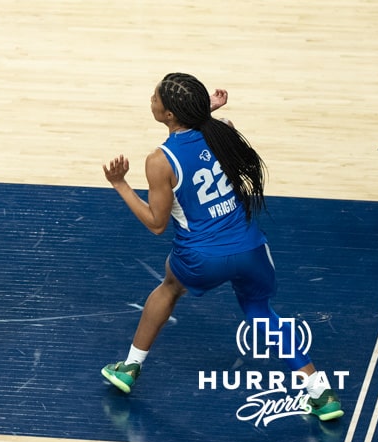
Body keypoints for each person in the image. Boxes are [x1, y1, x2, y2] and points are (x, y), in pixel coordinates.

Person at [99, 73, 344, 423]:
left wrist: (120, 184)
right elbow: (204, 135)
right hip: (251, 249)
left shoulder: (159, 160)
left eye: (155, 97)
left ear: (169, 115)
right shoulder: (223, 129)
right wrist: (208, 113)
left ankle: (129, 368)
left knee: (169, 287)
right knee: (261, 314)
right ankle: (320, 392)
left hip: (201, 258)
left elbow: (156, 224)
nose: (150, 99)